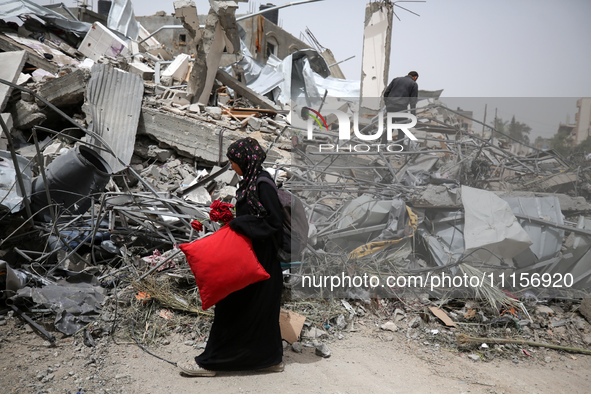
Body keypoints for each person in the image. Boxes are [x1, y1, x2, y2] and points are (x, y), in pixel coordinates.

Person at [178, 137, 284, 377]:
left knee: (243, 309)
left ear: (246, 160)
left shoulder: (263, 184)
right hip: (248, 257)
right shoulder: (250, 182)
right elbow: (255, 216)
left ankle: (212, 363)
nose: (231, 165)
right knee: (246, 310)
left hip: (261, 260)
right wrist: (232, 219)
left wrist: (240, 222)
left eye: (233, 160)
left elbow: (273, 221)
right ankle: (267, 359)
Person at [383, 71, 419, 142]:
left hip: (390, 107)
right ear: (415, 77)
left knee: (390, 127)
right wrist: (413, 115)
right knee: (402, 128)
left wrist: (388, 105)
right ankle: (399, 147)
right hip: (401, 108)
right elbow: (413, 101)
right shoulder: (413, 84)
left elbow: (386, 93)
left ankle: (383, 144)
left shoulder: (395, 80)